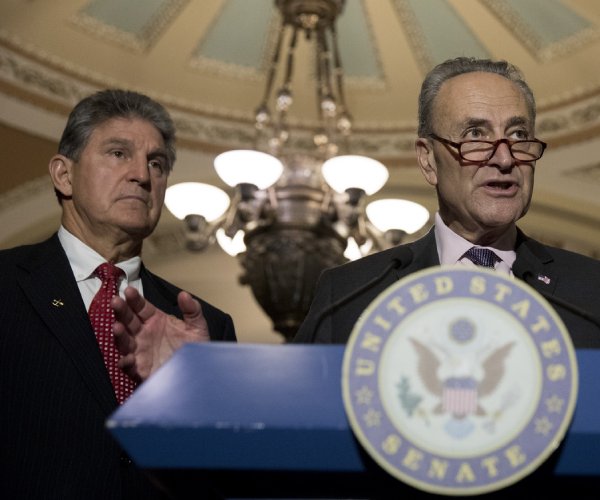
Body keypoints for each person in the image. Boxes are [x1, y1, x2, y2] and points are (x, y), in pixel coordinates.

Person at [0, 89, 236, 500]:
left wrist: (193, 395)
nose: (143, 175)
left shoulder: (207, 325)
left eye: (156, 163)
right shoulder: (6, 284)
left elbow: (225, 481)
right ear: (63, 175)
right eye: (118, 153)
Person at [293, 57, 600, 349]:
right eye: (476, 134)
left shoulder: (590, 289)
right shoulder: (351, 292)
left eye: (518, 134)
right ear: (428, 160)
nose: (505, 158)